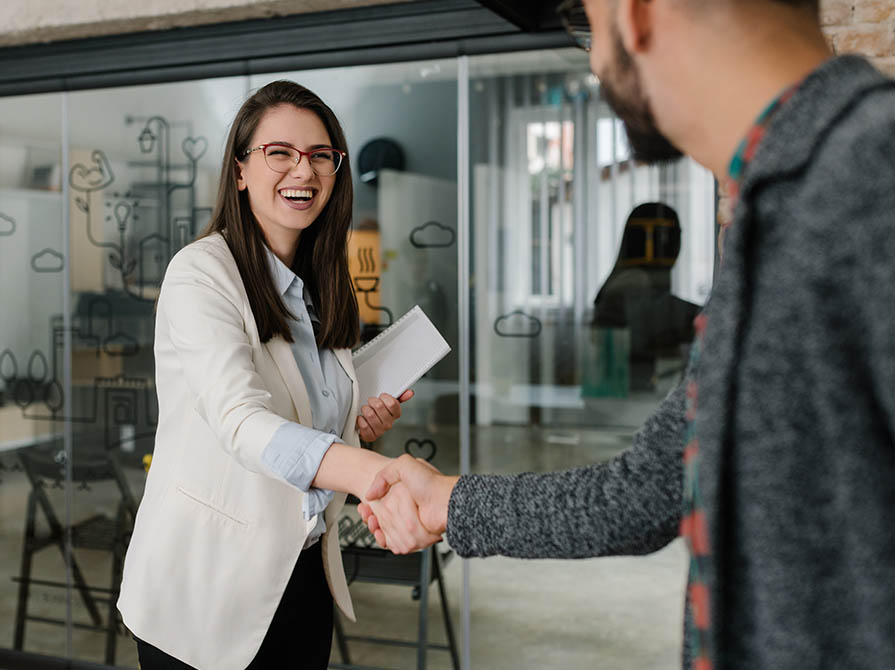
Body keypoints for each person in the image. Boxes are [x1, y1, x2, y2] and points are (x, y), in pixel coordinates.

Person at [360, 1, 895, 668]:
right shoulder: (774, 212)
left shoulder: (870, 175)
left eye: (588, 23)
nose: (592, 57)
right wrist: (449, 500)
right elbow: (641, 495)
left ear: (636, 13)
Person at [117, 80, 438, 670]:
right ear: (240, 171)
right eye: (280, 152)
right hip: (204, 588)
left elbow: (302, 418)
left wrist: (356, 424)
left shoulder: (320, 283)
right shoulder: (201, 272)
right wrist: (380, 474)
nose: (304, 170)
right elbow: (242, 422)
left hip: (300, 573)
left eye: (321, 155)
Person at [592, 201, 699, 391]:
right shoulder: (634, 280)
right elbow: (658, 324)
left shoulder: (635, 278)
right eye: (672, 236)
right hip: (624, 399)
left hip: (632, 391)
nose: (677, 245)